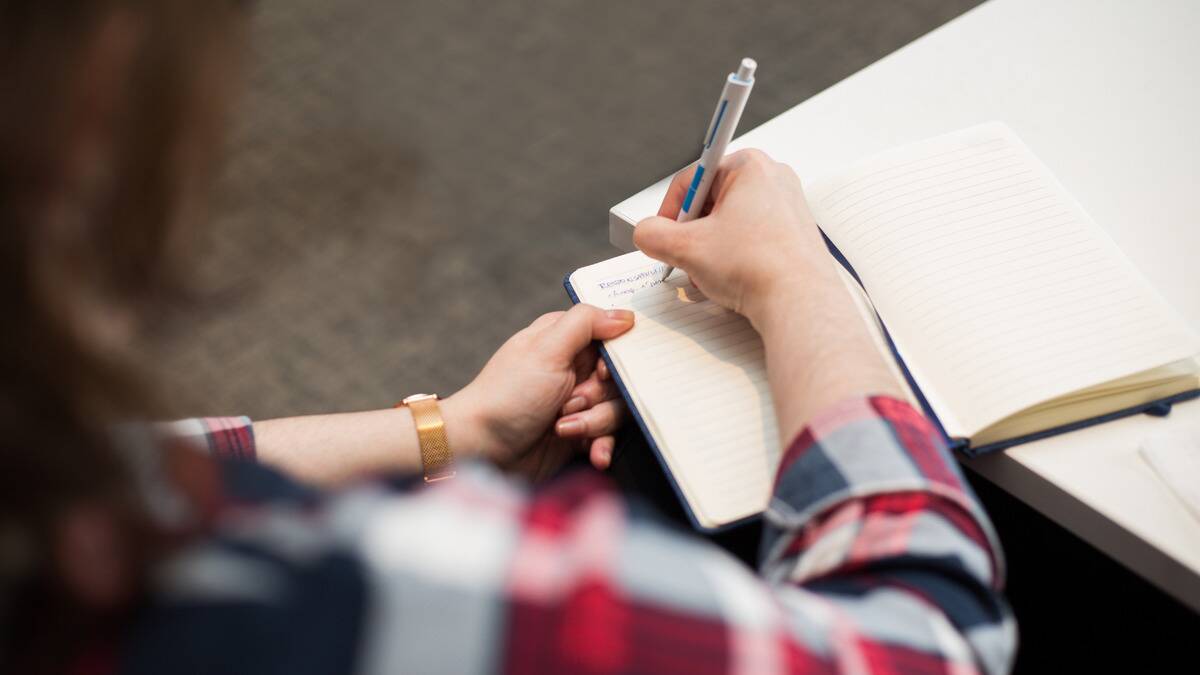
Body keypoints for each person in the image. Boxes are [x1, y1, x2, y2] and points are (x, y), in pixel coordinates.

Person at [0, 1, 1015, 673]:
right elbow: (930, 642)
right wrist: (803, 283)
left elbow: (139, 464)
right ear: (96, 89)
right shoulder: (347, 591)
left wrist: (454, 431)